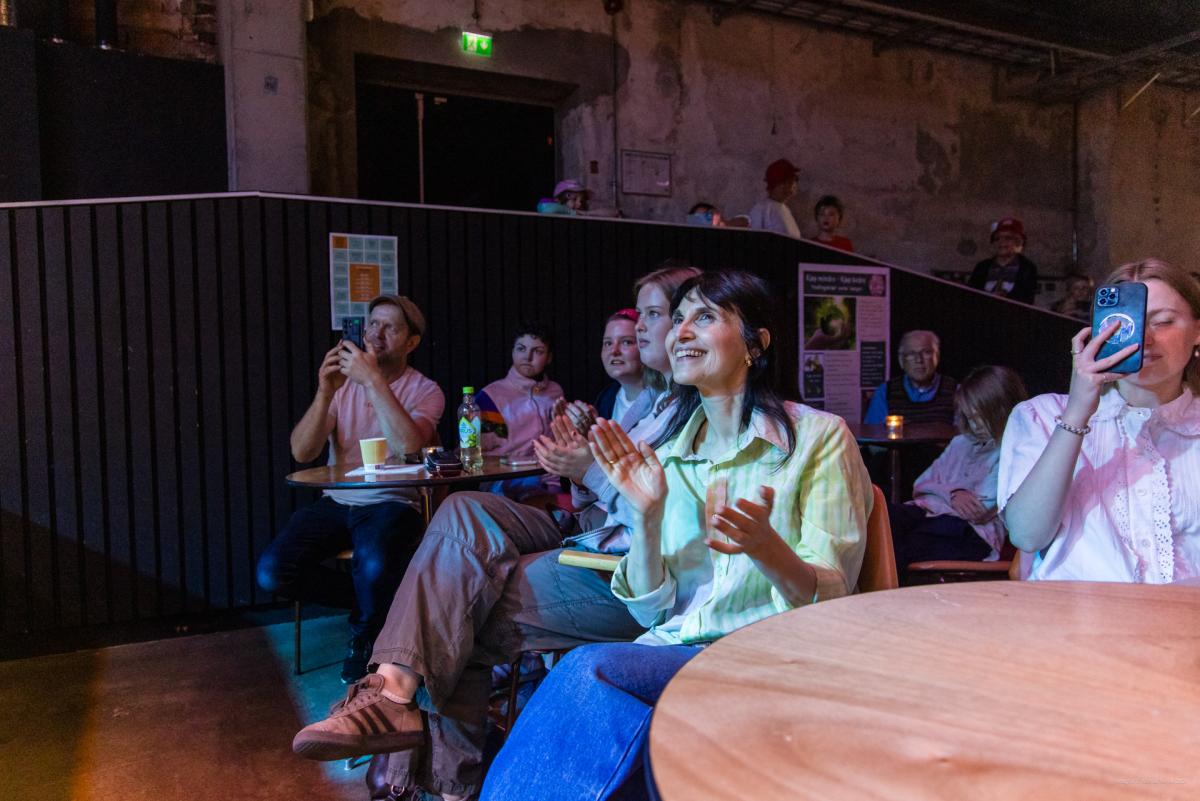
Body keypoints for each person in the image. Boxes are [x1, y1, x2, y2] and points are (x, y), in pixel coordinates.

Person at [291, 266, 701, 801]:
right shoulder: (647, 404)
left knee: (456, 600)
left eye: (651, 315)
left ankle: (423, 772)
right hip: (581, 528)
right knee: (462, 509)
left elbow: (654, 511)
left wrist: (585, 471)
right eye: (627, 326)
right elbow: (597, 495)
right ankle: (394, 694)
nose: (637, 331)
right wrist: (580, 472)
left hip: (619, 562)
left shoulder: (683, 408)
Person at [479, 270, 873, 801]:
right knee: (599, 697)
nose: (680, 332)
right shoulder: (668, 454)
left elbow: (834, 599)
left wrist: (767, 549)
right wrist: (645, 516)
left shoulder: (818, 438)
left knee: (590, 670)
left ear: (756, 343)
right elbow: (651, 612)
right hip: (681, 650)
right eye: (679, 318)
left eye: (704, 317)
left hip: (776, 656)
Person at [257, 295, 444, 684]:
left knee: (374, 565)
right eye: (372, 323)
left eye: (390, 327)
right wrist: (325, 391)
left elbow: (409, 446)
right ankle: (371, 605)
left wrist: (373, 380)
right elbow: (302, 451)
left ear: (411, 342)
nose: (376, 333)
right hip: (337, 499)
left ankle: (365, 634)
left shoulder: (426, 390)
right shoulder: (341, 387)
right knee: (272, 572)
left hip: (393, 502)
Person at [1000, 258, 1200, 583]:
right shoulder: (1042, 415)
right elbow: (1027, 535)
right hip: (1077, 613)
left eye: (1163, 321)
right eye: (1126, 322)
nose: (1144, 338)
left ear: (1197, 331)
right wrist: (1077, 412)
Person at [888, 365, 1028, 574]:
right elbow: (920, 485)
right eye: (970, 417)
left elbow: (979, 510)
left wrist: (938, 492)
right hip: (928, 513)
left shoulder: (1013, 450)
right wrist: (953, 494)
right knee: (883, 520)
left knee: (904, 547)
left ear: (1000, 410)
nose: (975, 425)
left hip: (972, 532)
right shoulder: (960, 443)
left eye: (980, 416)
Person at [476, 321, 564, 498]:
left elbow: (559, 443)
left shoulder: (555, 392)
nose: (527, 357)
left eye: (538, 351)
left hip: (549, 478)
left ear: (549, 357)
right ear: (512, 352)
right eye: (521, 349)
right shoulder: (490, 396)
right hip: (502, 480)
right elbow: (480, 453)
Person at [863, 330, 957, 425]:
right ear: (901, 361)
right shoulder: (885, 392)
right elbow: (873, 431)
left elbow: (963, 432)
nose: (919, 360)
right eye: (911, 354)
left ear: (937, 357)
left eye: (926, 352)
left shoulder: (955, 391)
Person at [967, 217, 1039, 304]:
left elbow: (1026, 301)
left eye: (1008, 238)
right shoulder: (982, 267)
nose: (1001, 242)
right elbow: (969, 297)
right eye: (997, 238)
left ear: (1019, 242)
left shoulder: (1027, 268)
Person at [594, 309, 645, 424]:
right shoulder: (606, 398)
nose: (614, 351)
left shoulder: (664, 402)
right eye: (608, 343)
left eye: (626, 342)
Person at [747, 159, 802, 238]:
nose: (794, 184)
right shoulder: (761, 209)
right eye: (791, 180)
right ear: (780, 184)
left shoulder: (785, 209)